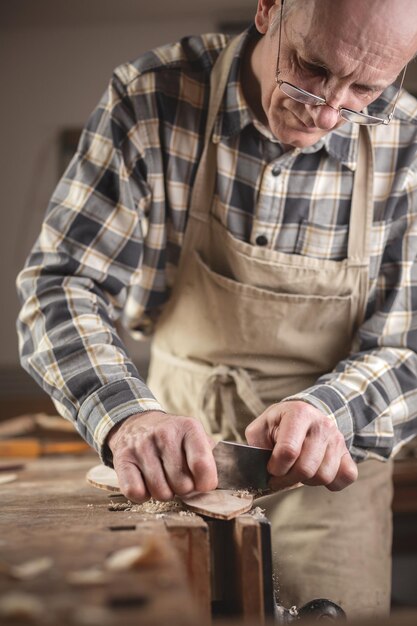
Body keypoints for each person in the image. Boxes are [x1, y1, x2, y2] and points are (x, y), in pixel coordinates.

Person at [17, 0, 417, 618]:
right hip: (171, 456)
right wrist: (127, 418)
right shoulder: (152, 97)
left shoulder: (408, 142)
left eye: (366, 88)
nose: (328, 110)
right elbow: (61, 285)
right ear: (268, 9)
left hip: (330, 474)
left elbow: (406, 346)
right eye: (309, 66)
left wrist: (326, 409)